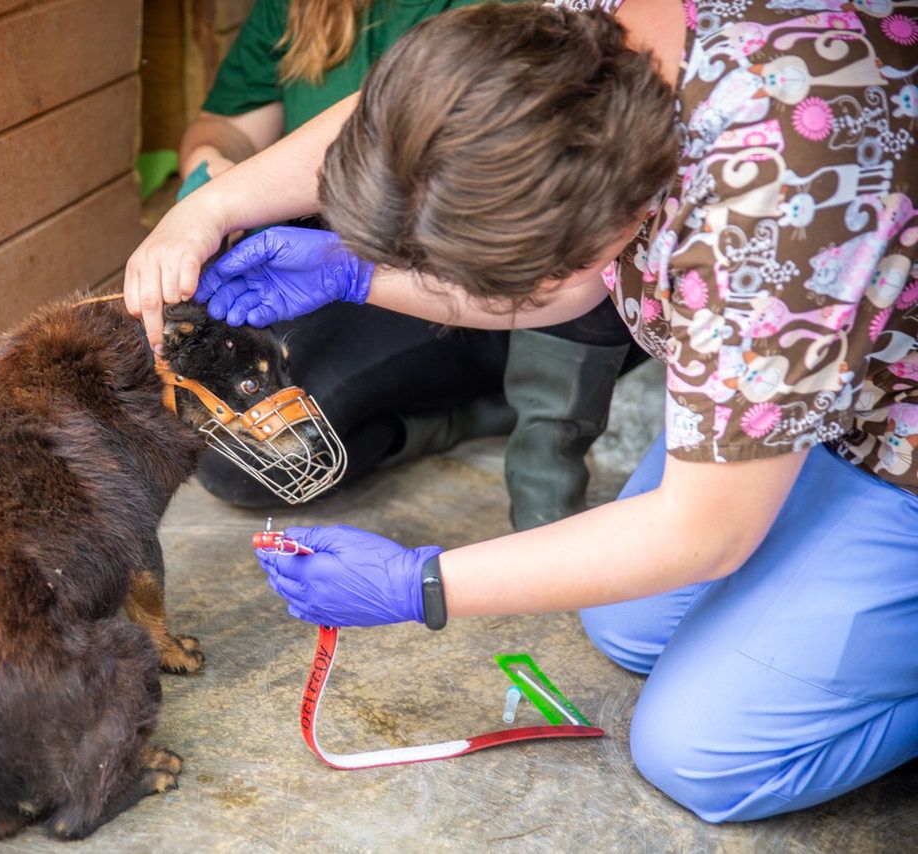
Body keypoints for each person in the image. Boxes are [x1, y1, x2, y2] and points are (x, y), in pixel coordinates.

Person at [125, 0, 918, 822]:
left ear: (598, 225)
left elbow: (702, 530)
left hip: (901, 433)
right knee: (628, 623)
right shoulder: (587, 31)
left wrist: (422, 582)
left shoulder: (771, 201)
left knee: (702, 753)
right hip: (806, 390)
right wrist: (223, 213)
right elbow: (423, 110)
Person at [172, 0, 646, 530]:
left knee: (571, 218)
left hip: (502, 261)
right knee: (243, 459)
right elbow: (237, 123)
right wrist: (215, 182)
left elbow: (577, 252)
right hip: (389, 269)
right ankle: (465, 419)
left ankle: (545, 475)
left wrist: (428, 587)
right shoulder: (301, 9)